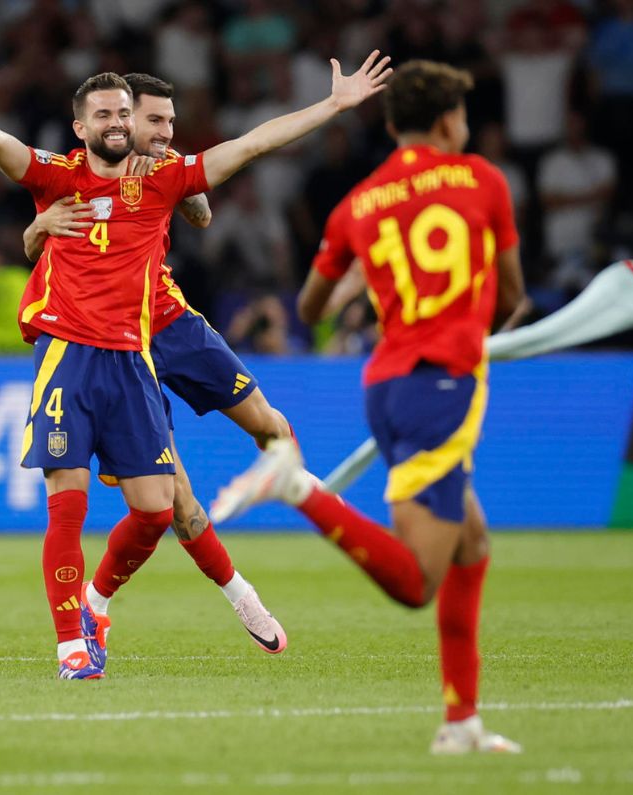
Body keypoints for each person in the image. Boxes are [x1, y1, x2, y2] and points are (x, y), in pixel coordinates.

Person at [0, 42, 391, 679]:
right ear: (81, 127)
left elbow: (253, 145)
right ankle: (72, 642)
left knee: (156, 510)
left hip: (135, 356)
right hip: (69, 354)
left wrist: (333, 105)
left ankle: (103, 602)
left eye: (124, 113)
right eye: (104, 115)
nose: (118, 123)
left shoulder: (159, 181)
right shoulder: (56, 177)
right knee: (68, 499)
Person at [211, 60, 525, 753]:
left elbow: (312, 307)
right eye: (463, 119)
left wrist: (370, 278)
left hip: (387, 382)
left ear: (391, 125)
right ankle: (296, 484)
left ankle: (461, 722)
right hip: (442, 383)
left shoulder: (361, 203)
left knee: (471, 546)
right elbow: (509, 298)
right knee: (417, 582)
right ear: (449, 121)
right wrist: (469, 325)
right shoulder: (484, 180)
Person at [20, 73, 298, 661]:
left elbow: (200, 215)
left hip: (168, 320)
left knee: (268, 424)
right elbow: (38, 240)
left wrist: (171, 167)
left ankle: (313, 498)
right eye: (154, 122)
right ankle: (238, 595)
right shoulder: (80, 172)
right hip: (107, 335)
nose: (162, 131)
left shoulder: (162, 173)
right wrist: (34, 228)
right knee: (177, 501)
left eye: (169, 123)